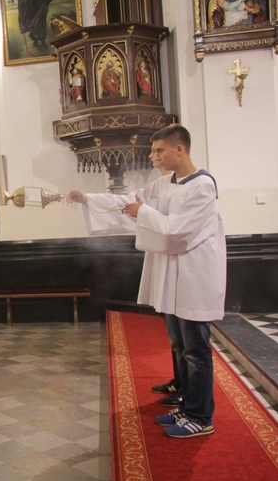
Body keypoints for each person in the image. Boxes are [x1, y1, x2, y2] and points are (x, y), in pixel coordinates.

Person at [69, 124, 226, 438]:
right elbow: (130, 200)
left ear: (179, 149)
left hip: (194, 274)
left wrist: (142, 212)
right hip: (174, 271)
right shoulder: (165, 183)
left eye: (159, 150)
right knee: (181, 345)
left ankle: (201, 416)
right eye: (153, 151)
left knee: (196, 349)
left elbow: (177, 229)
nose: (153, 156)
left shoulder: (203, 186)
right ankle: (186, 405)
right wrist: (88, 199)